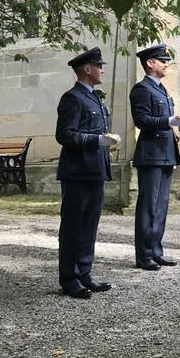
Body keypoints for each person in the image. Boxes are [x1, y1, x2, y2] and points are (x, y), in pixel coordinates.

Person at [55, 47, 117, 299]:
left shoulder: (94, 98)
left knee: (89, 226)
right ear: (87, 69)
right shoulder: (73, 97)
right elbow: (64, 135)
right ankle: (69, 278)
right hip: (77, 171)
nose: (103, 69)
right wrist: (97, 140)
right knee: (73, 227)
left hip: (94, 170)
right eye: (99, 65)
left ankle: (84, 273)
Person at [130, 44, 180, 271]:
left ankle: (156, 250)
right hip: (151, 153)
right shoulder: (141, 89)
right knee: (148, 205)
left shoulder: (162, 89)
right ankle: (144, 255)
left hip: (165, 152)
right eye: (161, 60)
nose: (166, 64)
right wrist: (168, 121)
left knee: (161, 206)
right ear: (149, 63)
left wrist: (176, 124)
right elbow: (142, 120)